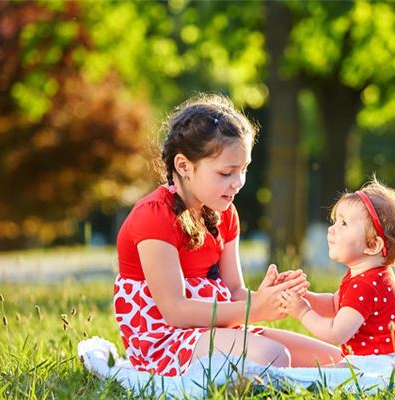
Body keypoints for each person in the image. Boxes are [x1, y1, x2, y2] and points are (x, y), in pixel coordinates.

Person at [113, 94, 342, 376]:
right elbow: (175, 311)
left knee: (333, 359)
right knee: (272, 356)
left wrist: (271, 298)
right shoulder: (153, 217)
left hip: (215, 328)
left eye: (244, 170)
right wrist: (255, 311)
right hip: (165, 339)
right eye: (226, 172)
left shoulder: (224, 213)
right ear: (184, 166)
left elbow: (234, 291)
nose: (238, 183)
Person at [279, 177, 395, 357]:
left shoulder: (367, 285)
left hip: (387, 365)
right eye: (335, 221)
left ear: (372, 245)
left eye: (344, 223)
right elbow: (334, 305)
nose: (331, 229)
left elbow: (335, 333)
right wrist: (305, 297)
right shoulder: (366, 276)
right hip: (382, 361)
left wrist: (302, 311)